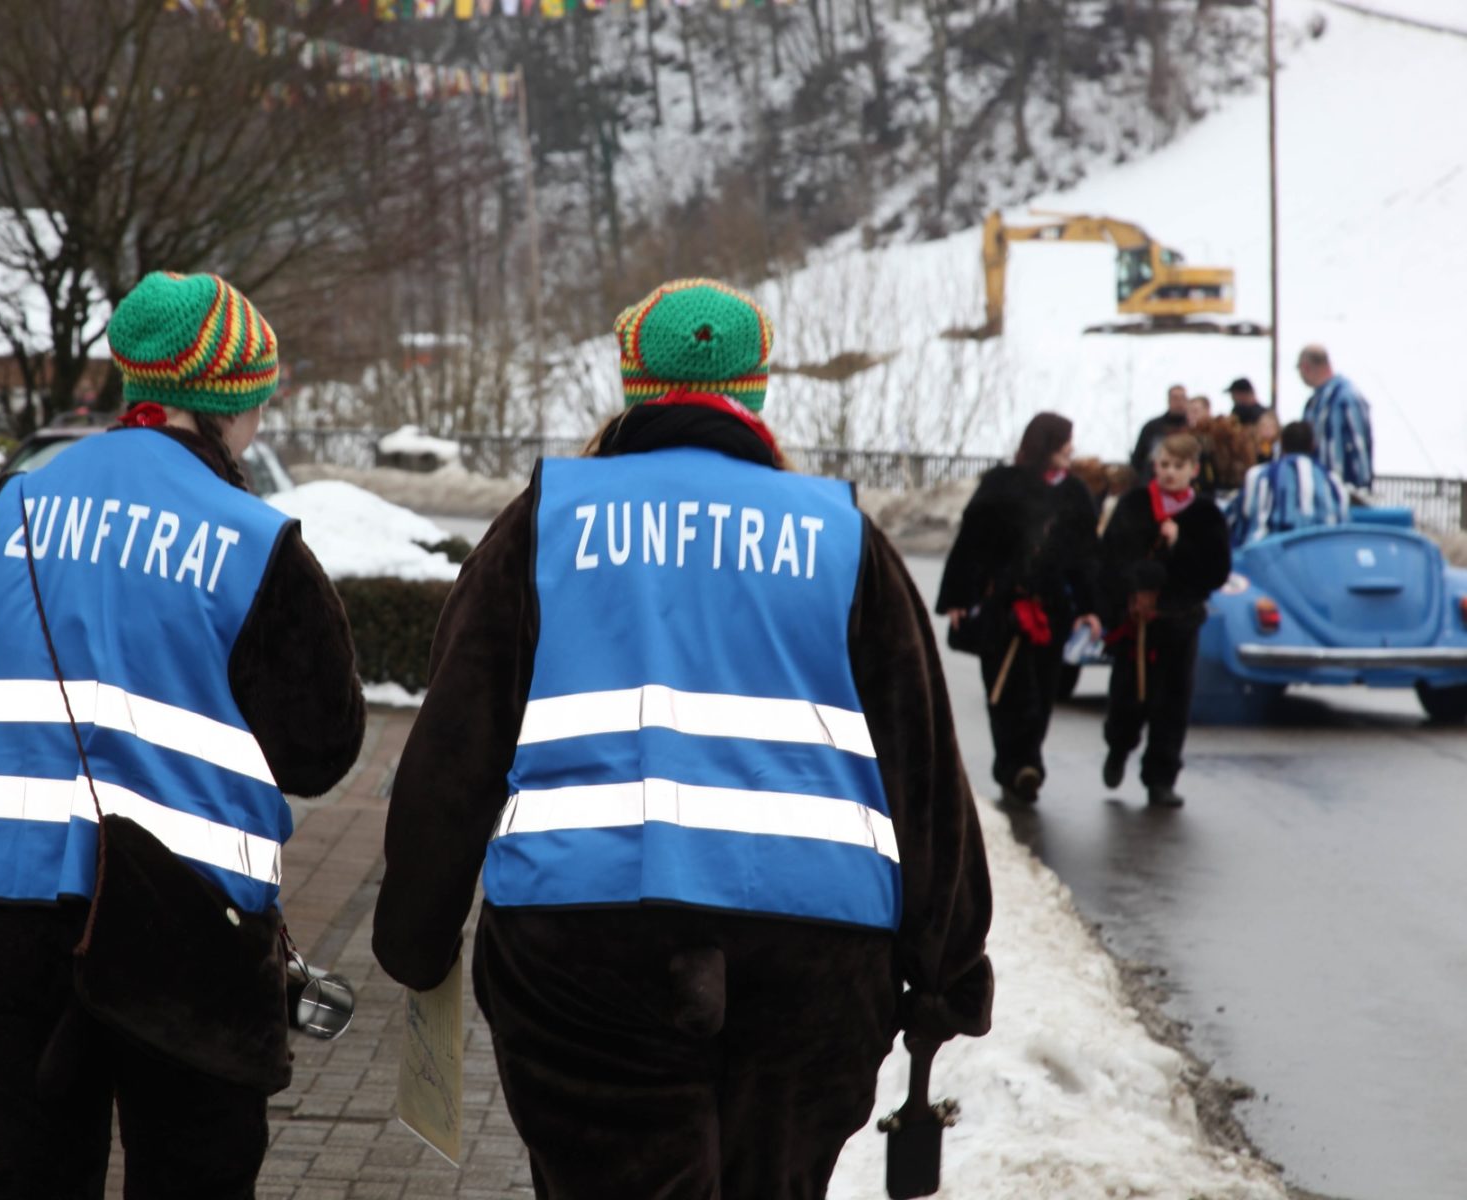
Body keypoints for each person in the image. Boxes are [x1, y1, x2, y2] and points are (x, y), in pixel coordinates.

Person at [372, 279, 993, 1199]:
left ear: (635, 385)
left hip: (582, 953)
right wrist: (945, 972)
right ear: (755, 391)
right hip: (812, 959)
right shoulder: (840, 537)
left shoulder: (546, 523)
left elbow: (457, 748)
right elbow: (924, 768)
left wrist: (417, 935)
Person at [0, 272, 365, 1199]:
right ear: (233, 404)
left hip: (2, 931)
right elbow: (322, 750)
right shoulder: (257, 543)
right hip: (190, 943)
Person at [937, 413, 1101, 805]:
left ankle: (1023, 765)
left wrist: (1090, 606)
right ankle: (1018, 767)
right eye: (1065, 440)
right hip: (1003, 607)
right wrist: (959, 598)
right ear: (1046, 443)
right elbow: (971, 543)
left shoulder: (1074, 493)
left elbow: (1087, 556)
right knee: (1006, 690)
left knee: (1042, 693)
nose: (1071, 448)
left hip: (1052, 609)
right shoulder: (1001, 484)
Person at [1098, 432, 1232, 808]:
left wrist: (1179, 545)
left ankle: (1161, 778)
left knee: (1172, 704)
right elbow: (1111, 557)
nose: (1170, 473)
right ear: (1155, 466)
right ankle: (1119, 747)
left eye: (1179, 466)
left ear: (1193, 470)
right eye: (1165, 465)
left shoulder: (1205, 514)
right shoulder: (1135, 504)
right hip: (1137, 623)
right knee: (1127, 697)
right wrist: (1133, 588)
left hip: (1179, 622)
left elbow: (1216, 571)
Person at [1232, 420, 1349, 545]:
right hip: (1321, 552)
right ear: (1313, 445)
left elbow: (1237, 524)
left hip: (1264, 552)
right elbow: (1342, 527)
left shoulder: (1258, 476)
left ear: (1282, 444)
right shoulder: (1332, 481)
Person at [1298, 344, 1374, 490]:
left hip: (1344, 490)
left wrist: (1360, 488)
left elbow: (1358, 444)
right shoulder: (1314, 402)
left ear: (1305, 367)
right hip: (1320, 490)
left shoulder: (1346, 396)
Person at [1128, 383, 1189, 481]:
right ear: (1168, 400)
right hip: (1152, 481)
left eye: (1182, 398)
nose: (1179, 402)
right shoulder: (1152, 427)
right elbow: (1138, 458)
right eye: (1175, 398)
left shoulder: (1192, 427)